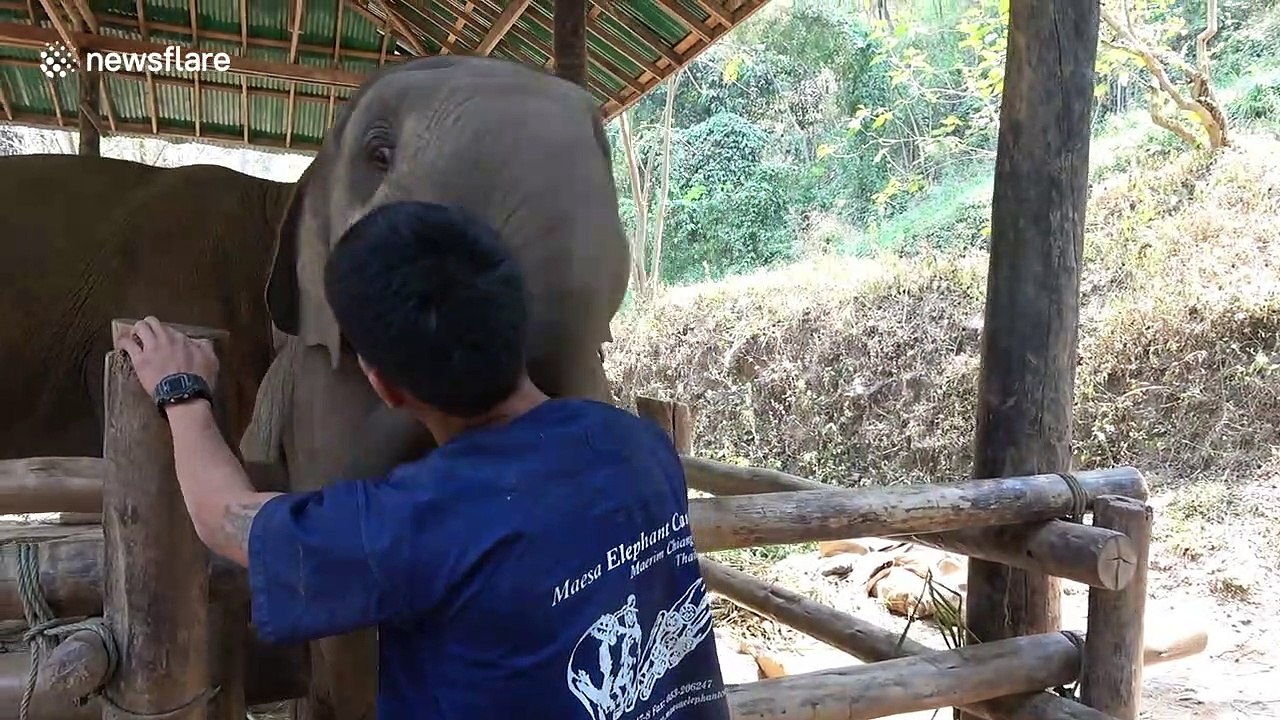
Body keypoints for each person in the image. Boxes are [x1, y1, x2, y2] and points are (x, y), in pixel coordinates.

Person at [115, 200, 732, 720]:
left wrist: (181, 392)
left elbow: (225, 517)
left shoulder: (418, 520)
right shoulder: (641, 446)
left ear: (382, 385)